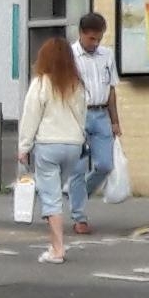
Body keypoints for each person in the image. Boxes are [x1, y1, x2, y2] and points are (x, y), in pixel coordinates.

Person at [20, 34, 90, 264]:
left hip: (48, 144)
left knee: (51, 198)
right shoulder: (76, 84)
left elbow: (31, 116)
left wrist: (24, 146)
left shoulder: (41, 83)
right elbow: (82, 115)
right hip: (73, 144)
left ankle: (57, 249)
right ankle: (54, 242)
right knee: (56, 193)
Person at [69, 10, 119, 227]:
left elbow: (112, 89)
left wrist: (115, 121)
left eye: (99, 38)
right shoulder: (69, 56)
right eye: (91, 38)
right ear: (81, 34)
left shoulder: (107, 55)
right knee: (78, 168)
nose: (95, 43)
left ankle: (78, 194)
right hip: (78, 115)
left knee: (105, 165)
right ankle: (79, 216)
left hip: (101, 114)